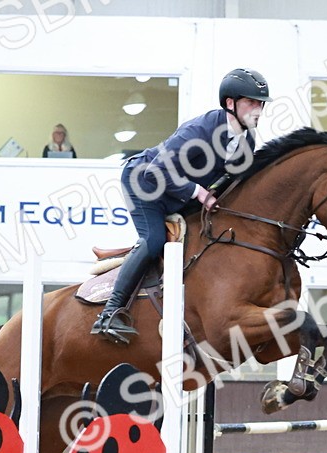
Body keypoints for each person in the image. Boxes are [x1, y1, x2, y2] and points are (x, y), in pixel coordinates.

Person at [90, 68, 270, 344]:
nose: (258, 110)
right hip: (144, 182)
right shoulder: (201, 129)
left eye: (261, 104)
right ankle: (109, 313)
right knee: (154, 240)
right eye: (251, 102)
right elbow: (156, 170)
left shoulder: (247, 141)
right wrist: (197, 191)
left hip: (179, 194)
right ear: (230, 103)